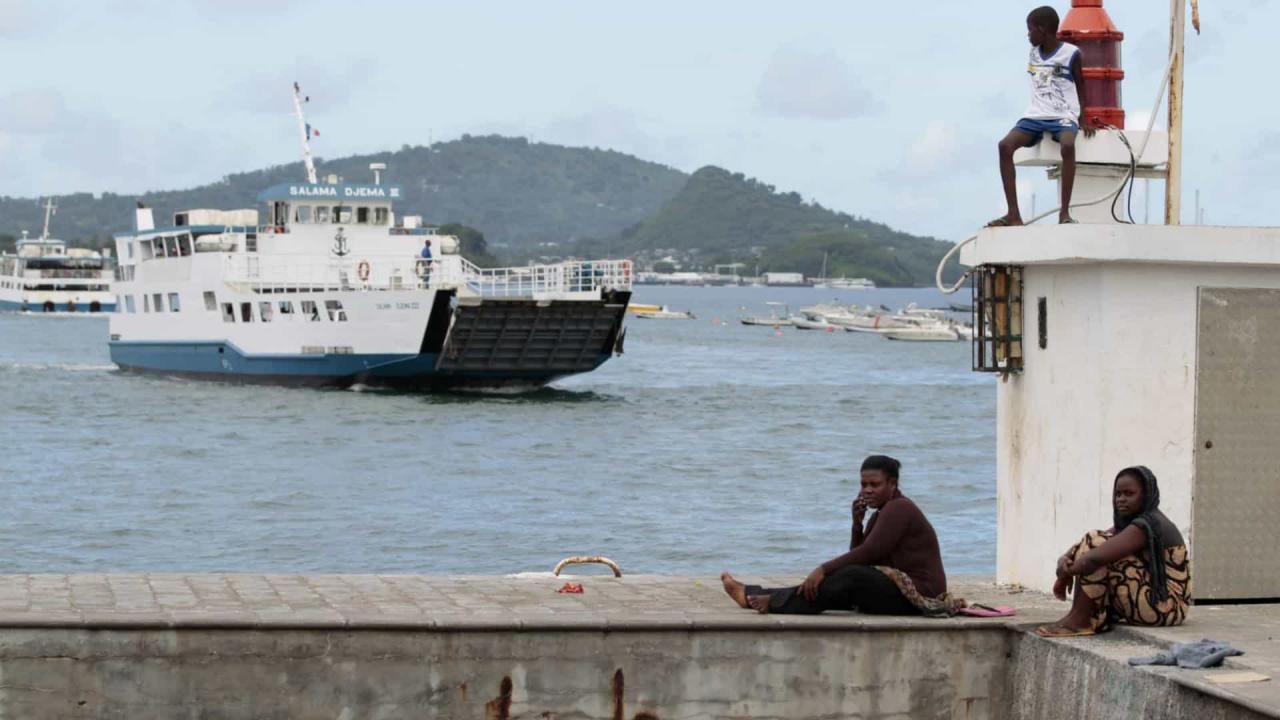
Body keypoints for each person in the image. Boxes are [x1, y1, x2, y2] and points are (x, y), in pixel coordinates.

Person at [721, 455, 961, 616]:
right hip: (894, 592)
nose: (867, 490)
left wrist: (823, 568)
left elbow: (868, 554)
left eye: (874, 484)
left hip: (919, 597)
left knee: (850, 576)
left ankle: (769, 602)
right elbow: (863, 556)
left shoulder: (900, 508)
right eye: (863, 484)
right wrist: (857, 525)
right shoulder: (881, 513)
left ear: (892, 484)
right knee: (838, 585)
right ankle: (757, 595)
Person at [1037, 466, 1190, 637]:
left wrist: (1066, 573)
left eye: (1129, 494)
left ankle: (1081, 620)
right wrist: (1063, 559)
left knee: (1097, 546)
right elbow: (1089, 543)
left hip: (1166, 607)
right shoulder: (1132, 524)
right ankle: (1082, 617)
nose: (1121, 500)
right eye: (1118, 494)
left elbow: (1092, 559)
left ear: (1146, 495)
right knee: (1095, 537)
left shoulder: (1149, 524)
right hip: (1153, 605)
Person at [988, 5, 1096, 228]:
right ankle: (1013, 214)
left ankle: (1064, 213)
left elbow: (1081, 86)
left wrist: (1083, 116)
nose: (1028, 35)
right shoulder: (1034, 53)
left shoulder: (1071, 54)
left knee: (1067, 145)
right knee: (1005, 146)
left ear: (1043, 29)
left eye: (1030, 30)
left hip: (1063, 114)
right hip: (1036, 114)